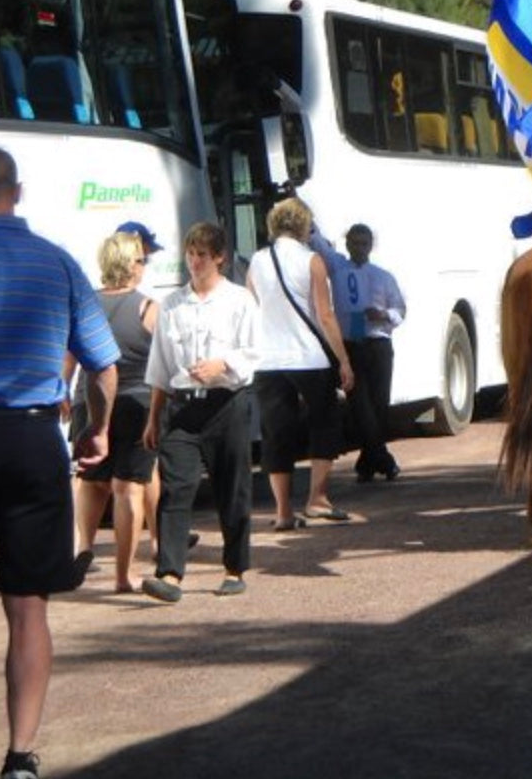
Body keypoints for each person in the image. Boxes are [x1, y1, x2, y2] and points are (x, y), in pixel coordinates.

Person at [0, 146, 119, 779]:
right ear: (17, 192)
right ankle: (21, 755)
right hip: (34, 440)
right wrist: (97, 431)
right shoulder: (57, 264)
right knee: (28, 605)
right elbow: (105, 367)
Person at [140, 223, 259, 602]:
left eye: (202, 255)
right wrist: (153, 417)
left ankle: (234, 567)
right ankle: (170, 574)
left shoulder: (239, 300)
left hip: (227, 404)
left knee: (233, 488)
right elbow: (160, 365)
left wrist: (221, 364)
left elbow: (254, 353)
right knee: (177, 487)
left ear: (220, 258)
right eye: (190, 254)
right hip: (183, 407)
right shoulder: (173, 304)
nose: (194, 261)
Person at [247, 197, 354, 530]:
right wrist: (344, 360)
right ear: (302, 225)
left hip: (268, 359)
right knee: (324, 423)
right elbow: (325, 315)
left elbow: (252, 308)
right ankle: (318, 499)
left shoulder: (257, 260)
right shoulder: (312, 261)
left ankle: (282, 512)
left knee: (276, 433)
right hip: (309, 357)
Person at [73, 230, 159, 593]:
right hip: (135, 403)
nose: (144, 266)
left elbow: (68, 354)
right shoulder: (148, 307)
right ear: (129, 264)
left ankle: (84, 549)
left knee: (91, 482)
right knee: (129, 490)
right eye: (140, 259)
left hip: (86, 399)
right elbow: (163, 362)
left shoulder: (84, 303)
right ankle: (123, 575)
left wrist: (62, 390)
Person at [311, 223, 406, 482]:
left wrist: (384, 314)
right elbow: (316, 239)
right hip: (351, 345)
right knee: (360, 406)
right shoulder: (338, 267)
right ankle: (383, 460)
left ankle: (368, 462)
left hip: (378, 344)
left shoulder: (383, 276)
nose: (360, 248)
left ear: (371, 246)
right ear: (348, 244)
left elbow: (400, 310)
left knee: (378, 406)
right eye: (355, 243)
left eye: (365, 243)